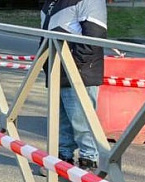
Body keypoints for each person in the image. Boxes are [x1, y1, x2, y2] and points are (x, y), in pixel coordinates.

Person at [40, 0, 107, 171]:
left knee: (81, 121)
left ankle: (89, 161)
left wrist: (74, 66)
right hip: (57, 70)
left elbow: (94, 37)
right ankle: (63, 158)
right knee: (61, 121)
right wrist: (47, 65)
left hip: (79, 72)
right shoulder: (51, 2)